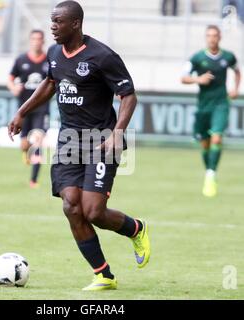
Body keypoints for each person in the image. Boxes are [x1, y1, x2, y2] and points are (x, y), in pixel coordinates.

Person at [8, 1, 150, 291]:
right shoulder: (54, 53)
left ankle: (136, 228)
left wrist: (116, 133)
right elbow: (50, 83)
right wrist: (22, 111)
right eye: (51, 21)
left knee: (94, 212)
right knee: (71, 206)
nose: (52, 26)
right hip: (69, 139)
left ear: (75, 24)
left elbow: (129, 95)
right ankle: (104, 275)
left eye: (58, 21)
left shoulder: (102, 56)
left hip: (101, 141)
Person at [181, 25, 241, 197]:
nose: (212, 38)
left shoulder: (228, 57)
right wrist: (198, 79)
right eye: (209, 35)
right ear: (206, 38)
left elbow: (237, 71)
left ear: (219, 37)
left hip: (221, 103)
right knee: (205, 143)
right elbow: (183, 78)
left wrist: (236, 89)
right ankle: (209, 170)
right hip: (203, 106)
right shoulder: (197, 58)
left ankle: (211, 174)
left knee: (216, 138)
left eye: (215, 35)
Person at [7, 30, 49, 188]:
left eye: (39, 39)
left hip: (42, 109)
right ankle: (26, 152)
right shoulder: (21, 60)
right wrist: (13, 88)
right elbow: (10, 79)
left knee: (38, 141)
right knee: (24, 144)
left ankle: (33, 180)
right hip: (24, 109)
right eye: (34, 39)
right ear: (30, 41)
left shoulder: (49, 60)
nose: (36, 42)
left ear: (43, 41)